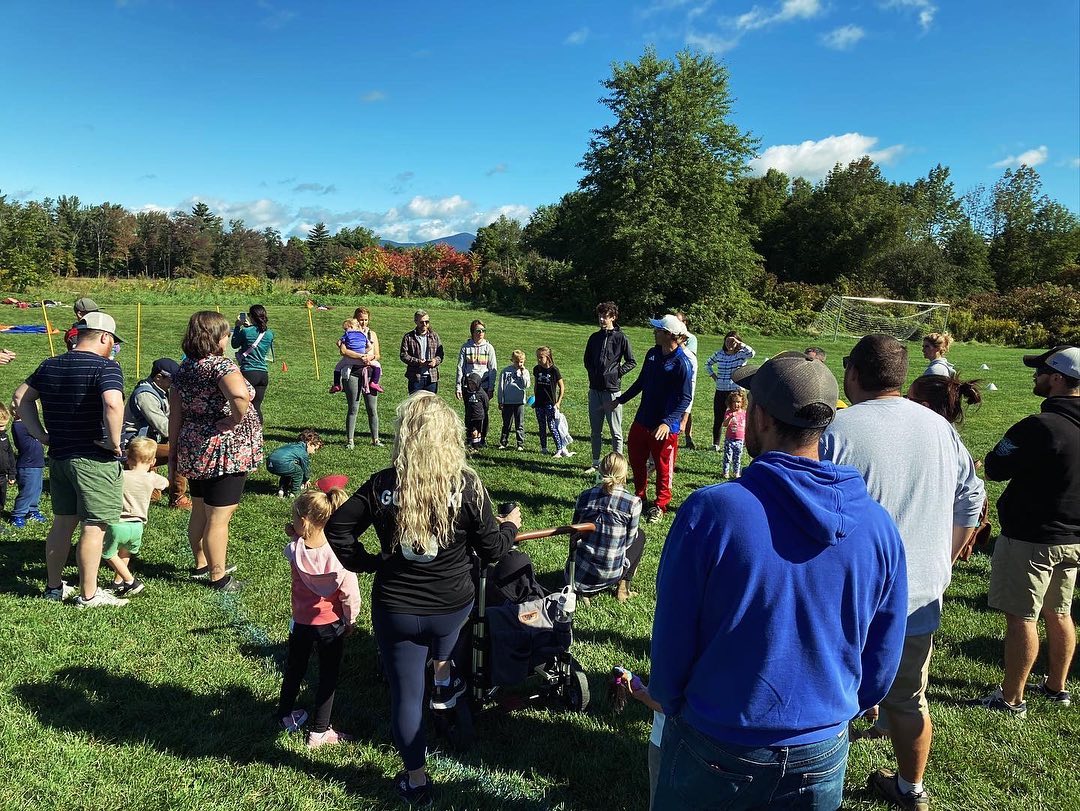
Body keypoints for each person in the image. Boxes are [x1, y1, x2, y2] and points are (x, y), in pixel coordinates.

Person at [651, 351, 908, 811]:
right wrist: (841, 707)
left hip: (717, 739)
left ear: (762, 417)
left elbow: (673, 631)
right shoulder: (878, 524)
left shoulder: (713, 511)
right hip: (822, 746)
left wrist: (669, 700)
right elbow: (885, 651)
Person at [326, 392, 521, 806]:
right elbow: (492, 550)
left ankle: (416, 780)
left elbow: (337, 529)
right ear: (450, 436)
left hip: (396, 606)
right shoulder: (466, 485)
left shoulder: (383, 484)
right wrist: (509, 526)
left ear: (405, 435)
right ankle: (445, 673)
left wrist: (369, 562)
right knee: (444, 644)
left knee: (406, 695)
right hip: (451, 606)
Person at [819, 334, 984, 811]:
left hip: (848, 593)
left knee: (829, 689)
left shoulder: (837, 429)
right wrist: (946, 557)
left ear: (853, 373)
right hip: (919, 594)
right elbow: (972, 495)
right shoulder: (939, 428)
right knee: (910, 698)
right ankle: (912, 789)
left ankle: (818, 785)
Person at [972, 345, 1079, 717]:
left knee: (1022, 617)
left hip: (1032, 539)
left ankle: (1011, 698)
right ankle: (1056, 687)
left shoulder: (1039, 426)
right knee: (1060, 613)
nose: (1035, 376)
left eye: (1041, 371)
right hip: (1073, 539)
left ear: (1057, 379)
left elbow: (996, 466)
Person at [14, 311, 128, 608]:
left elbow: (20, 398)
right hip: (94, 458)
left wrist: (40, 434)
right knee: (94, 526)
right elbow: (113, 403)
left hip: (60, 456)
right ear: (104, 337)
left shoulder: (50, 364)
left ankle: (54, 587)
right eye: (113, 342)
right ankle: (89, 594)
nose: (113, 347)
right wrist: (114, 442)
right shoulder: (106, 367)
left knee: (62, 524)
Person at [171, 311, 263, 592]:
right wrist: (235, 420)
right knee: (220, 515)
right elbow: (240, 395)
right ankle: (218, 576)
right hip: (224, 449)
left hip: (194, 445)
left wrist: (175, 448)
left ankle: (202, 563)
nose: (227, 338)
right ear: (216, 338)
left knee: (200, 508)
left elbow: (175, 412)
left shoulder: (185, 368)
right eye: (225, 334)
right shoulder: (221, 366)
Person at [277, 487, 361, 749]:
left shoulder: (294, 550)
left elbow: (297, 543)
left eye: (294, 519)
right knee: (328, 676)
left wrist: (296, 535)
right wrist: (350, 620)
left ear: (304, 522)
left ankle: (284, 714)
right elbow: (350, 593)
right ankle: (319, 732)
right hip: (330, 625)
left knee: (295, 669)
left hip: (301, 623)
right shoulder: (340, 555)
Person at [606, 314, 692, 524]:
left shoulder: (682, 363)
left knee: (663, 468)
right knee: (636, 460)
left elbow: (686, 398)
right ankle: (640, 497)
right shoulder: (652, 353)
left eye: (658, 330)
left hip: (665, 427)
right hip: (642, 420)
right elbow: (641, 381)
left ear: (669, 334)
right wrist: (620, 400)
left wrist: (667, 422)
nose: (654, 332)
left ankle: (660, 505)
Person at [568, 452, 644, 604]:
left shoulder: (584, 496)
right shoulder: (633, 502)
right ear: (625, 474)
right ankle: (623, 588)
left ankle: (584, 590)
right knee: (640, 536)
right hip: (611, 572)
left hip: (577, 573)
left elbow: (574, 531)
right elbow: (629, 541)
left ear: (600, 470)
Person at [100, 437, 169, 598]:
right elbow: (165, 483)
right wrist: (152, 475)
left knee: (107, 553)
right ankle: (118, 582)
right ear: (153, 462)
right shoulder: (152, 478)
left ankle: (130, 581)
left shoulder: (121, 475)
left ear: (128, 458)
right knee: (125, 553)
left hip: (118, 524)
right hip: (138, 526)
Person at [122, 357, 189, 509]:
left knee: (163, 444)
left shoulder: (160, 391)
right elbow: (165, 428)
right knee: (180, 451)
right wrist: (187, 433)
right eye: (172, 380)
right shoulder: (145, 396)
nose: (175, 384)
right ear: (159, 377)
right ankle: (177, 498)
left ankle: (152, 490)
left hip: (147, 442)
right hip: (134, 446)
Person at [583, 302, 636, 473]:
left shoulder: (621, 338)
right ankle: (595, 463)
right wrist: (593, 373)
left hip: (612, 392)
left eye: (605, 316)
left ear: (613, 317)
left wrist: (616, 373)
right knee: (595, 430)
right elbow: (587, 360)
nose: (601, 319)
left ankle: (618, 466)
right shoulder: (594, 337)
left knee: (616, 431)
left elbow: (631, 361)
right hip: (595, 390)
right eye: (600, 316)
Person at [611, 667, 665, 810]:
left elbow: (670, 705)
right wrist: (642, 689)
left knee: (661, 800)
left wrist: (643, 695)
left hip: (668, 741)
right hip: (710, 741)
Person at [705, 331, 755, 451]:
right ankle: (715, 444)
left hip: (736, 390)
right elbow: (707, 364)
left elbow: (752, 353)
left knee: (739, 417)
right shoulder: (719, 354)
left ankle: (741, 440)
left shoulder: (741, 354)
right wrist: (714, 377)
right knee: (718, 417)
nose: (730, 344)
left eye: (732, 341)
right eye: (727, 341)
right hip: (721, 389)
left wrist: (739, 343)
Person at [341, 307, 381, 449]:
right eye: (360, 320)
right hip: (352, 372)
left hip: (369, 373)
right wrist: (360, 356)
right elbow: (343, 351)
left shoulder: (372, 334)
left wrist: (371, 358)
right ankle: (350, 440)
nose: (363, 322)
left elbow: (378, 354)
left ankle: (375, 439)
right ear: (355, 320)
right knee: (353, 407)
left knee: (372, 408)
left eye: (365, 320)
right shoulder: (349, 333)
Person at [455, 319, 497, 442]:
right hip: (469, 386)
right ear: (472, 332)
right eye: (478, 331)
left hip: (483, 386)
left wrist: (491, 388)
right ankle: (470, 437)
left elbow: (493, 369)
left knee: (483, 412)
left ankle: (482, 438)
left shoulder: (489, 348)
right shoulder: (466, 347)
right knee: (470, 412)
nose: (481, 333)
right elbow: (460, 367)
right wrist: (458, 387)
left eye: (483, 330)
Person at [231, 304, 275, 421]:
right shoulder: (270, 333)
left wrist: (237, 327)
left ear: (251, 317)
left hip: (248, 371)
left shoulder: (246, 332)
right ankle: (259, 429)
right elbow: (257, 336)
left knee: (243, 405)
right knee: (256, 406)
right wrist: (249, 326)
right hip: (263, 373)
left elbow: (234, 344)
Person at [11, 398, 46, 527]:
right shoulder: (19, 425)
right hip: (27, 464)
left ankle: (32, 510)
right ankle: (18, 514)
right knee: (27, 491)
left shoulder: (28, 424)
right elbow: (42, 433)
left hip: (36, 463)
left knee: (36, 489)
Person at [533, 346, 572, 457]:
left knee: (552, 426)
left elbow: (562, 387)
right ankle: (544, 448)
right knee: (541, 426)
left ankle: (559, 449)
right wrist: (535, 399)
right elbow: (536, 385)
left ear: (548, 357)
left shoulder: (554, 370)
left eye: (541, 357)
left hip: (550, 403)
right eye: (537, 357)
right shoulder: (536, 369)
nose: (539, 359)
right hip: (539, 402)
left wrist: (558, 402)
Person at [329, 317, 383, 395]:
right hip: (363, 359)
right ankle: (374, 382)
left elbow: (339, 344)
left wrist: (341, 345)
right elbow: (370, 347)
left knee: (337, 368)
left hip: (350, 359)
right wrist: (364, 353)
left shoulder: (346, 334)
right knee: (377, 365)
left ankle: (337, 384)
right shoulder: (363, 335)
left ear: (350, 327)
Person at [266, 429, 323, 498]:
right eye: (314, 449)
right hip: (281, 463)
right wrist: (306, 479)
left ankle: (282, 490)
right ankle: (294, 493)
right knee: (298, 472)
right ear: (309, 443)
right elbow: (305, 468)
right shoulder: (303, 452)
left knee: (289, 471)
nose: (313, 452)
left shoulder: (292, 445)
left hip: (269, 463)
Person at [400, 309, 444, 394]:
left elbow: (440, 354)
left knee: (431, 402)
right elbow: (403, 355)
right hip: (415, 377)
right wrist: (418, 362)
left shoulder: (434, 336)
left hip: (432, 378)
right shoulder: (408, 337)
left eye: (427, 322)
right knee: (415, 402)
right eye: (421, 322)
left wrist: (435, 361)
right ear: (416, 321)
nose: (424, 324)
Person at [497, 350, 530, 451]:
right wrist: (500, 400)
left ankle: (520, 444)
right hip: (508, 401)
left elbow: (526, 385)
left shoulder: (525, 372)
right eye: (517, 362)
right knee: (506, 423)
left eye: (521, 362)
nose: (519, 364)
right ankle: (503, 442)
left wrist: (522, 373)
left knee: (519, 424)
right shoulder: (505, 371)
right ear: (512, 360)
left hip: (519, 401)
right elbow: (501, 387)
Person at [674, 312, 698, 449]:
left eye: (679, 321)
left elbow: (690, 357)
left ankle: (688, 436)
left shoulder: (691, 339)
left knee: (686, 407)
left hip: (685, 378)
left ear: (685, 322)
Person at [721, 390, 747, 479]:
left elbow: (746, 426)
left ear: (742, 402)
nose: (736, 404)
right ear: (730, 402)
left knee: (737, 457)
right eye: (734, 402)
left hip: (740, 439)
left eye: (738, 402)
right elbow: (724, 424)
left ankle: (736, 472)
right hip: (730, 438)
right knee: (728, 456)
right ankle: (725, 472)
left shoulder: (744, 413)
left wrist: (746, 439)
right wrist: (731, 417)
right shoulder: (729, 412)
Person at [463, 373, 490, 450]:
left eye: (473, 384)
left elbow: (486, 404)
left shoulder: (481, 393)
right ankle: (474, 444)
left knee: (476, 432)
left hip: (478, 416)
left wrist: (483, 412)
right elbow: (466, 402)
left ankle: (475, 447)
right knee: (471, 431)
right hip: (469, 416)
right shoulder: (467, 393)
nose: (471, 386)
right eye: (470, 384)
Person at [0, 404, 16, 514]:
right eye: (0, 426)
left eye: (4, 426)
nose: (2, 429)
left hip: (2, 476)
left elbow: (10, 455)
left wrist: (12, 474)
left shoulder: (4, 437)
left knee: (2, 496)